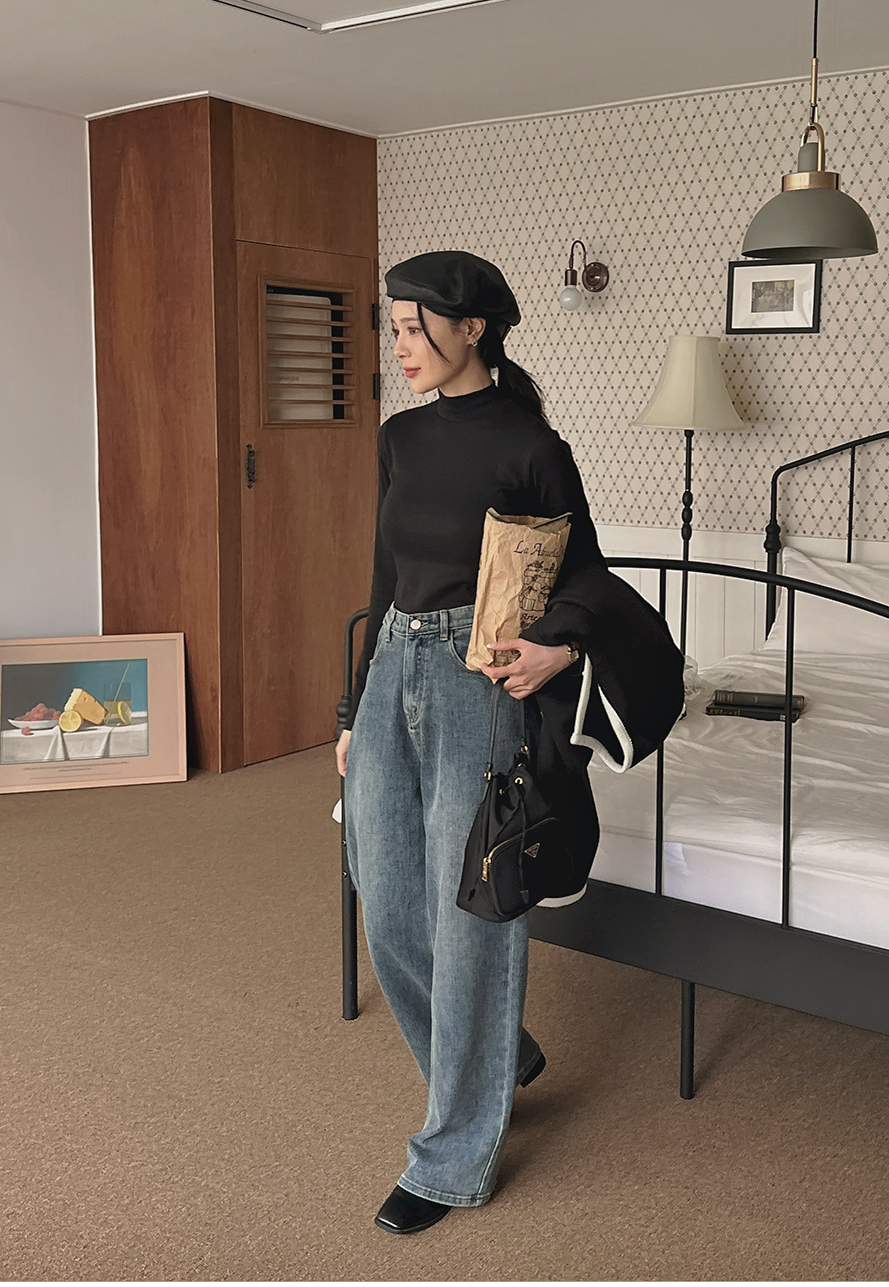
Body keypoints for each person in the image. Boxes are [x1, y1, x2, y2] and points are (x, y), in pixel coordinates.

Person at [336, 250, 611, 1235]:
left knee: (472, 916)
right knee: (384, 902)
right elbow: (383, 580)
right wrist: (352, 710)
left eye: (415, 328)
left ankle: (452, 1156)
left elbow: (587, 577)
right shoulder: (400, 437)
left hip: (477, 680)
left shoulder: (530, 446)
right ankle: (500, 1054)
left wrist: (556, 646)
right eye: (395, 329)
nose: (401, 346)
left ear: (472, 329)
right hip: (393, 668)